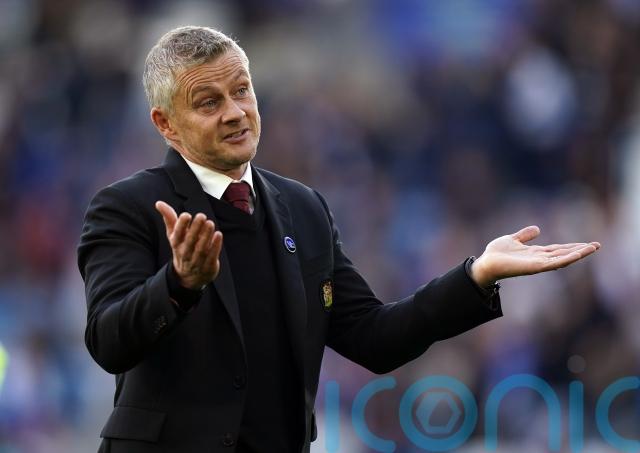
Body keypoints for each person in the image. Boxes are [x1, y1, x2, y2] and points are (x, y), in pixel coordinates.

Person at [77, 26, 600, 453]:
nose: (235, 112)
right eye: (208, 102)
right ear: (166, 124)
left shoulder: (303, 208)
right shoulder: (127, 207)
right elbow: (108, 340)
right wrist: (179, 283)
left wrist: (476, 275)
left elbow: (374, 338)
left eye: (241, 90)